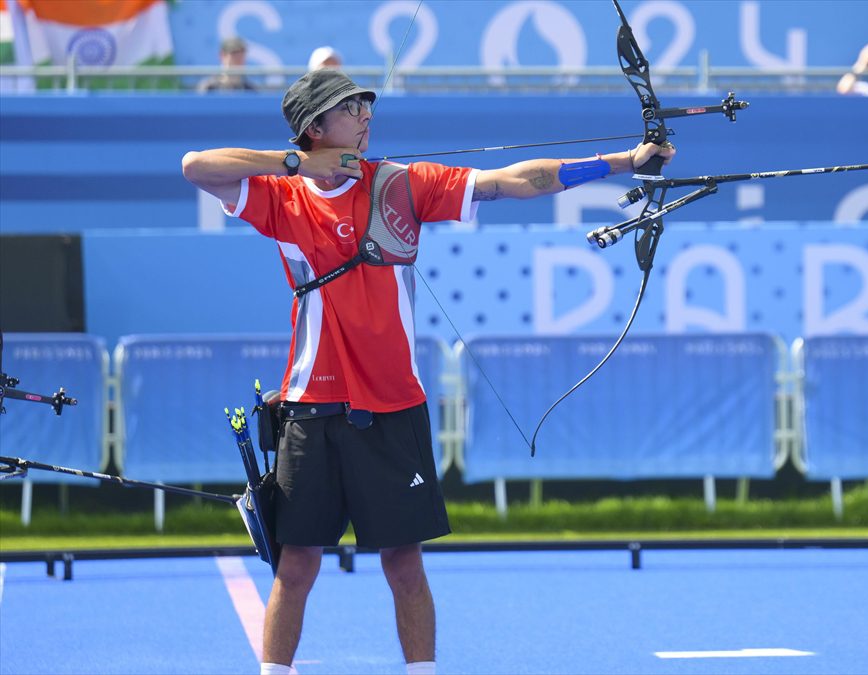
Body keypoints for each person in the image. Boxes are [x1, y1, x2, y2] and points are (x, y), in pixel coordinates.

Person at [180, 69, 674, 675]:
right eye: (349, 108)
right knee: (296, 564)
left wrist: (624, 161)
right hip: (310, 407)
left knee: (405, 565)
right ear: (315, 128)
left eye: (365, 105)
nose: (365, 115)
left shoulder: (401, 186)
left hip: (392, 404)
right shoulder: (281, 198)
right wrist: (294, 164)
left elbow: (513, 180)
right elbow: (196, 166)